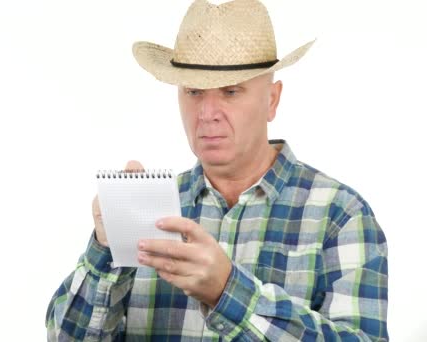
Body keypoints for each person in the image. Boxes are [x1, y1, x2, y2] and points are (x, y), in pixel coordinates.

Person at [45, 0, 388, 340]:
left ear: (272, 99)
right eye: (193, 91)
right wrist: (106, 247)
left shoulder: (340, 215)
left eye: (230, 91)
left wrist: (227, 292)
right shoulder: (150, 207)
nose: (207, 112)